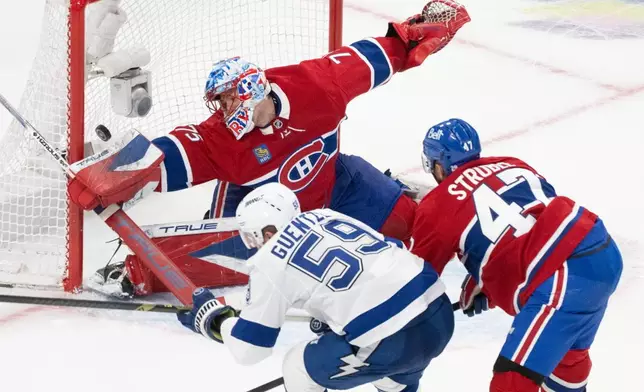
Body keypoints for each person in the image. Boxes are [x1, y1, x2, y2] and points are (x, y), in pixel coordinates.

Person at [85, 0, 472, 298]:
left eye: (228, 101)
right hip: (257, 208)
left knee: (416, 225)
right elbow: (166, 156)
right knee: (217, 261)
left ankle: (413, 201)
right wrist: (109, 173)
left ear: (252, 93)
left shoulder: (317, 85)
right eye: (219, 104)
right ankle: (135, 271)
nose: (223, 111)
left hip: (334, 181)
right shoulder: (220, 137)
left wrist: (417, 33)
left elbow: (382, 54)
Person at [409, 118, 622, 391]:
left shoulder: (436, 205)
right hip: (601, 250)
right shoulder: (513, 162)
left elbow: (416, 281)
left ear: (438, 164)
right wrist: (487, 279)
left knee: (511, 382)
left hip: (563, 276)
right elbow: (531, 219)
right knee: (566, 360)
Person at [177, 183, 454, 392]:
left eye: (252, 236)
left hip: (393, 339)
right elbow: (392, 250)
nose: (253, 245)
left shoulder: (270, 259)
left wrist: (215, 322)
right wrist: (334, 315)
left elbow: (250, 349)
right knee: (390, 377)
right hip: (439, 312)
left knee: (297, 367)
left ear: (268, 232)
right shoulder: (327, 215)